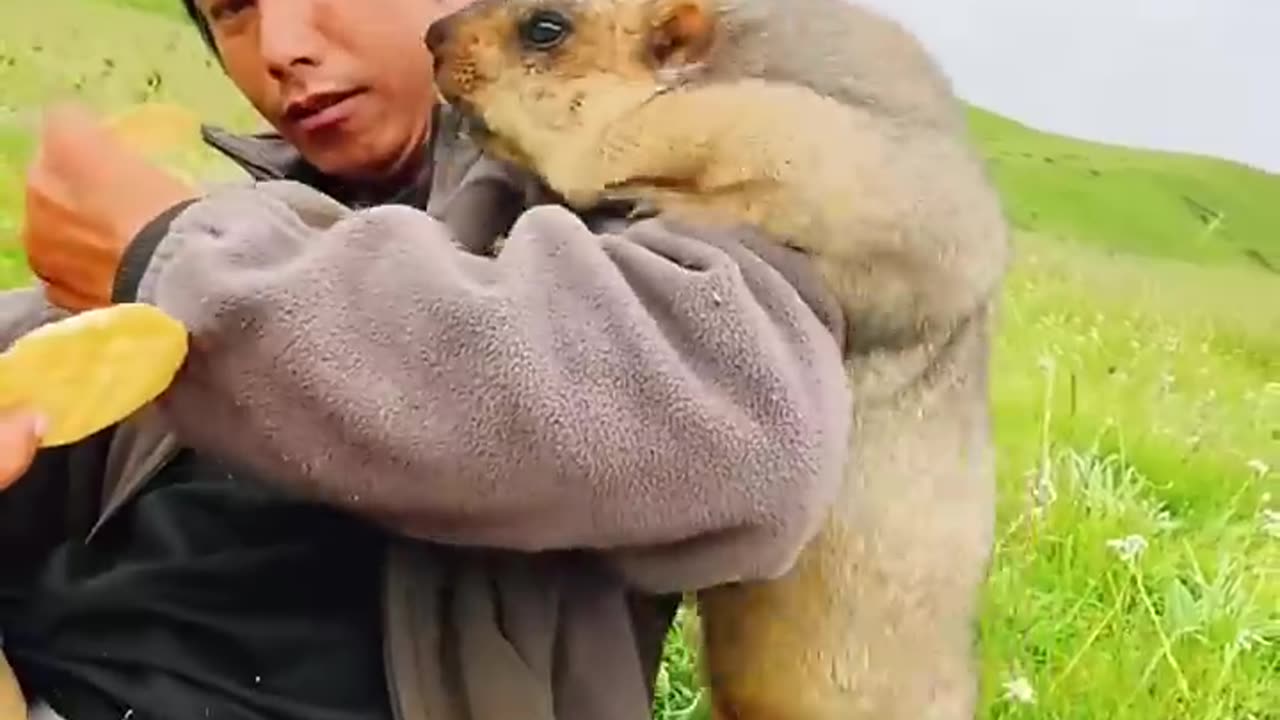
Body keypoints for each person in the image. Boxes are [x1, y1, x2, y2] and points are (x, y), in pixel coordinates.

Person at [0, 0, 852, 718]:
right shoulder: (249, 212)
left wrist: (187, 260)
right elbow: (42, 353)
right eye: (231, 9)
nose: (281, 47)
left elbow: (754, 428)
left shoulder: (626, 166)